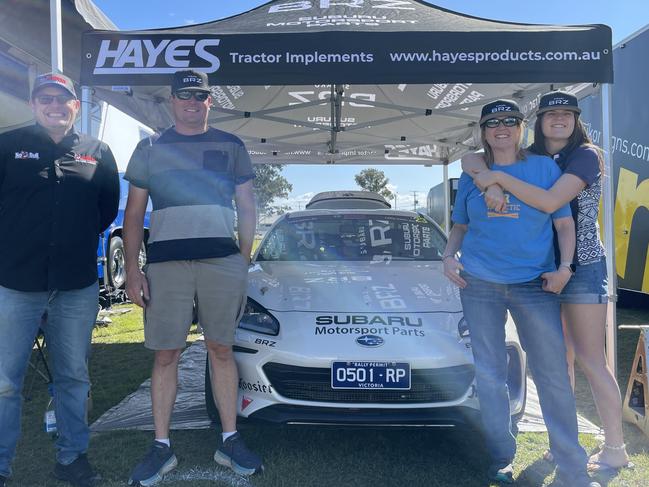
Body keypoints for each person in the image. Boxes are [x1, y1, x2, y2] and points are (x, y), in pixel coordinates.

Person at [463, 91, 631, 473]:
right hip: (542, 269)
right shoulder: (535, 157)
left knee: (592, 360)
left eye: (567, 114)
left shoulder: (586, 154)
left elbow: (550, 201)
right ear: (536, 121)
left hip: (581, 266)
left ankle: (616, 447)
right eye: (550, 113)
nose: (559, 119)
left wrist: (498, 179)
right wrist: (488, 182)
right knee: (559, 363)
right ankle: (561, 444)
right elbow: (471, 158)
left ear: (576, 120)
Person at [442, 100, 600, 487]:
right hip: (478, 284)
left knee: (551, 376)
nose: (502, 128)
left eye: (510, 121)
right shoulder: (471, 173)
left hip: (534, 284)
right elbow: (460, 227)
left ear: (521, 127)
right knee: (491, 375)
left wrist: (565, 268)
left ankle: (572, 467)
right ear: (483, 130)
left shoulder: (544, 167)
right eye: (493, 122)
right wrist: (447, 255)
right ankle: (501, 457)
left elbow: (563, 224)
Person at [124, 69, 261, 486]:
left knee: (221, 349)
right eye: (184, 95)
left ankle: (230, 438)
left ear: (209, 101)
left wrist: (242, 258)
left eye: (199, 95)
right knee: (166, 354)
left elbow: (248, 205)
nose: (192, 101)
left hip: (221, 262)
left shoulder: (231, 144)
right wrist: (132, 270)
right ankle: (161, 445)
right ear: (171, 100)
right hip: (166, 265)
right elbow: (133, 214)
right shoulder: (149, 146)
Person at [0, 73, 119, 487]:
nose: (54, 105)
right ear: (34, 104)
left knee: (73, 378)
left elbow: (105, 211)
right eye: (45, 98)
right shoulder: (7, 146)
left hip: (75, 285)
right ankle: (1, 463)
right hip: (16, 284)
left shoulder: (97, 151)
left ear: (75, 106)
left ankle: (71, 458)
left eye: (62, 99)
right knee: (4, 381)